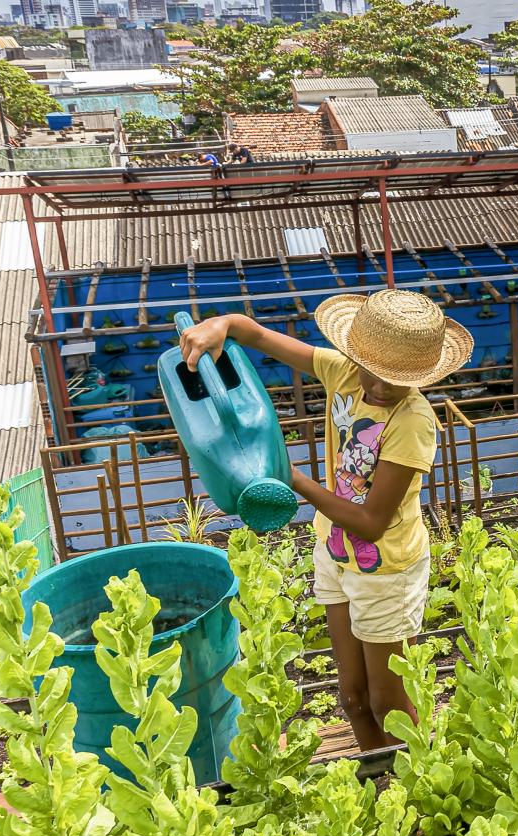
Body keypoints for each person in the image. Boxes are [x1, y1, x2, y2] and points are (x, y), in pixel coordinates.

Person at [178, 289, 472, 752]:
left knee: (387, 704)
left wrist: (288, 475)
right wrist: (224, 324)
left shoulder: (413, 421)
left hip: (385, 568)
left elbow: (373, 522)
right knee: (352, 699)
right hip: (333, 552)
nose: (377, 386)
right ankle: (382, 788)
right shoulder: (342, 371)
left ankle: (417, 791)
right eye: (371, 371)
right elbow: (254, 334)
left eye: (395, 380)